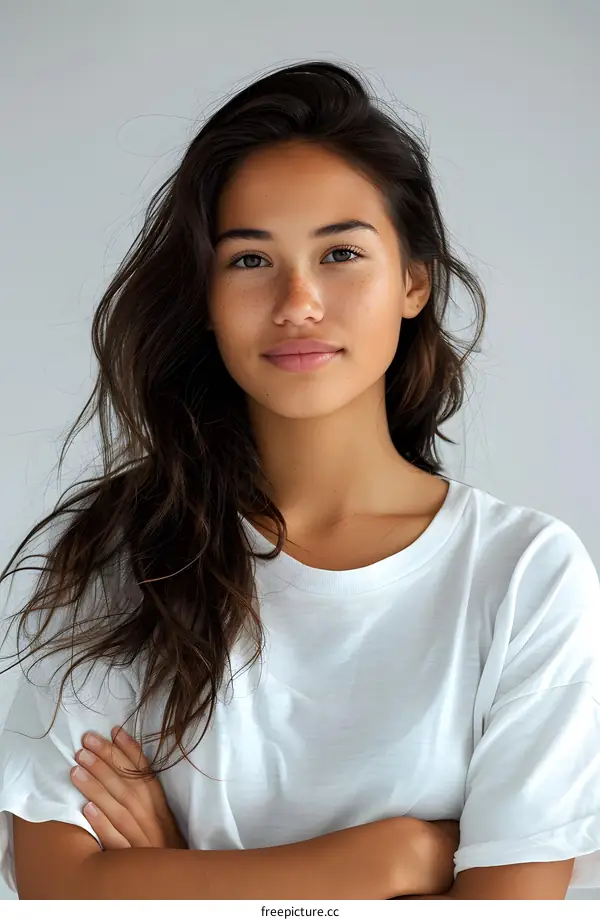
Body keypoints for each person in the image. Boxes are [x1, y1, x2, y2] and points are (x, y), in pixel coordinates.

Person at [1, 60, 600, 901]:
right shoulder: (124, 552)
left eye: (343, 252)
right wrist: (388, 861)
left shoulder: (525, 574)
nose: (298, 301)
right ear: (205, 295)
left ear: (414, 282)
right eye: (250, 260)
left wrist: (174, 878)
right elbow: (58, 893)